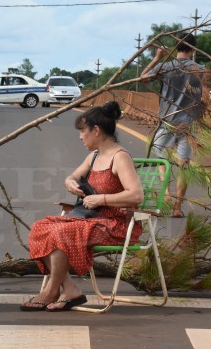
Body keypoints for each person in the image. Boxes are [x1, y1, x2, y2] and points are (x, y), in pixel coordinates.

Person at [21, 101, 144, 312]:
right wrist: (70, 183)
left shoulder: (120, 157)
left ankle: (51, 290)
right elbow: (71, 177)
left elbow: (136, 195)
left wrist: (101, 199)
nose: (80, 137)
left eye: (82, 131)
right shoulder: (93, 157)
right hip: (89, 218)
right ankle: (69, 289)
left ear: (96, 130)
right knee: (40, 228)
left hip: (114, 224)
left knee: (62, 232)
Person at [144, 33, 205, 218]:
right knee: (184, 164)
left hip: (168, 120)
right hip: (190, 123)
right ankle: (178, 207)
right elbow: (206, 97)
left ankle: (167, 194)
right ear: (193, 49)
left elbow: (143, 78)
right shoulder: (200, 70)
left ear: (176, 47)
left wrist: (157, 58)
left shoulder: (166, 67)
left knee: (161, 157)